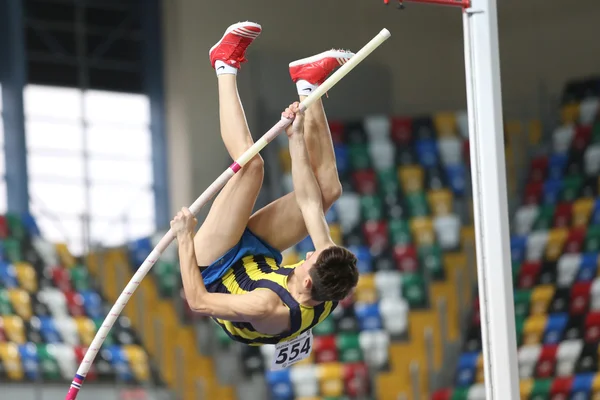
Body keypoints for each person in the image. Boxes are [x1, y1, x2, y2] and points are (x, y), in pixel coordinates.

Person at [170, 22, 359, 353]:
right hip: (259, 257)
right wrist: (296, 138)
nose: (313, 249)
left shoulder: (265, 308)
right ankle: (309, 83)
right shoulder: (329, 281)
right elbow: (310, 202)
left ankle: (223, 63)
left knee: (251, 167)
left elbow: (197, 301)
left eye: (311, 257)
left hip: (215, 266)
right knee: (328, 191)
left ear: (305, 281)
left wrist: (185, 238)